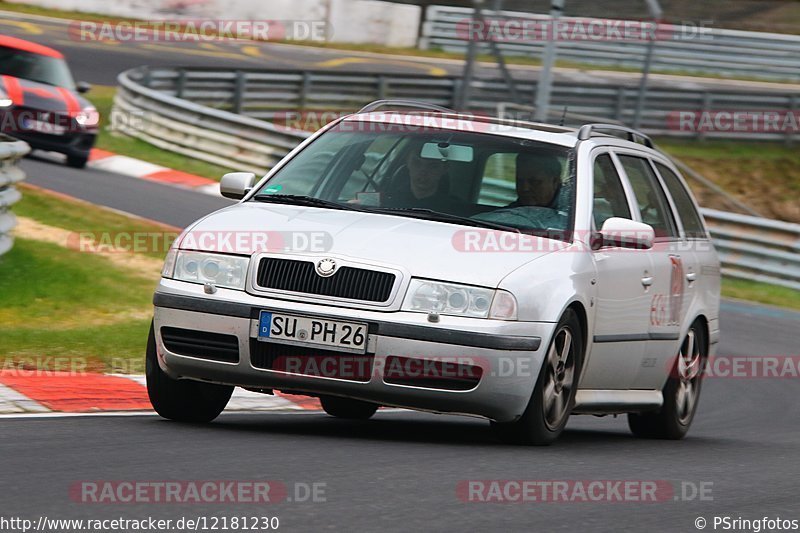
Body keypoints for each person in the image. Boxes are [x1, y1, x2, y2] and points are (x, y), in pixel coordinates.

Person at [474, 152, 567, 230]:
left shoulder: (572, 213)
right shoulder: (509, 213)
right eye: (519, 180)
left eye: (534, 182)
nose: (524, 188)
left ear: (555, 181)